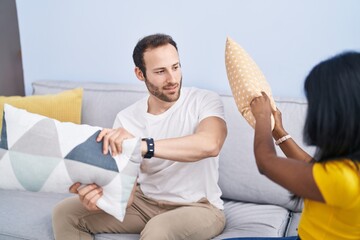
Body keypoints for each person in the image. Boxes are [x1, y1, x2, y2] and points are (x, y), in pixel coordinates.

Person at [52, 33, 227, 240]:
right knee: (65, 213)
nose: (172, 79)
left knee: (158, 229)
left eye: (176, 67)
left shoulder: (204, 100)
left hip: (200, 207)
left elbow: (210, 144)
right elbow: (126, 198)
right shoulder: (127, 119)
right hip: (145, 203)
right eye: (161, 71)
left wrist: (141, 145)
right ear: (140, 74)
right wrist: (100, 200)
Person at [248, 51, 360, 240]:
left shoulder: (346, 180)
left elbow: (265, 162)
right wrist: (279, 132)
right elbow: (315, 170)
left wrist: (262, 118)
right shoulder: (348, 170)